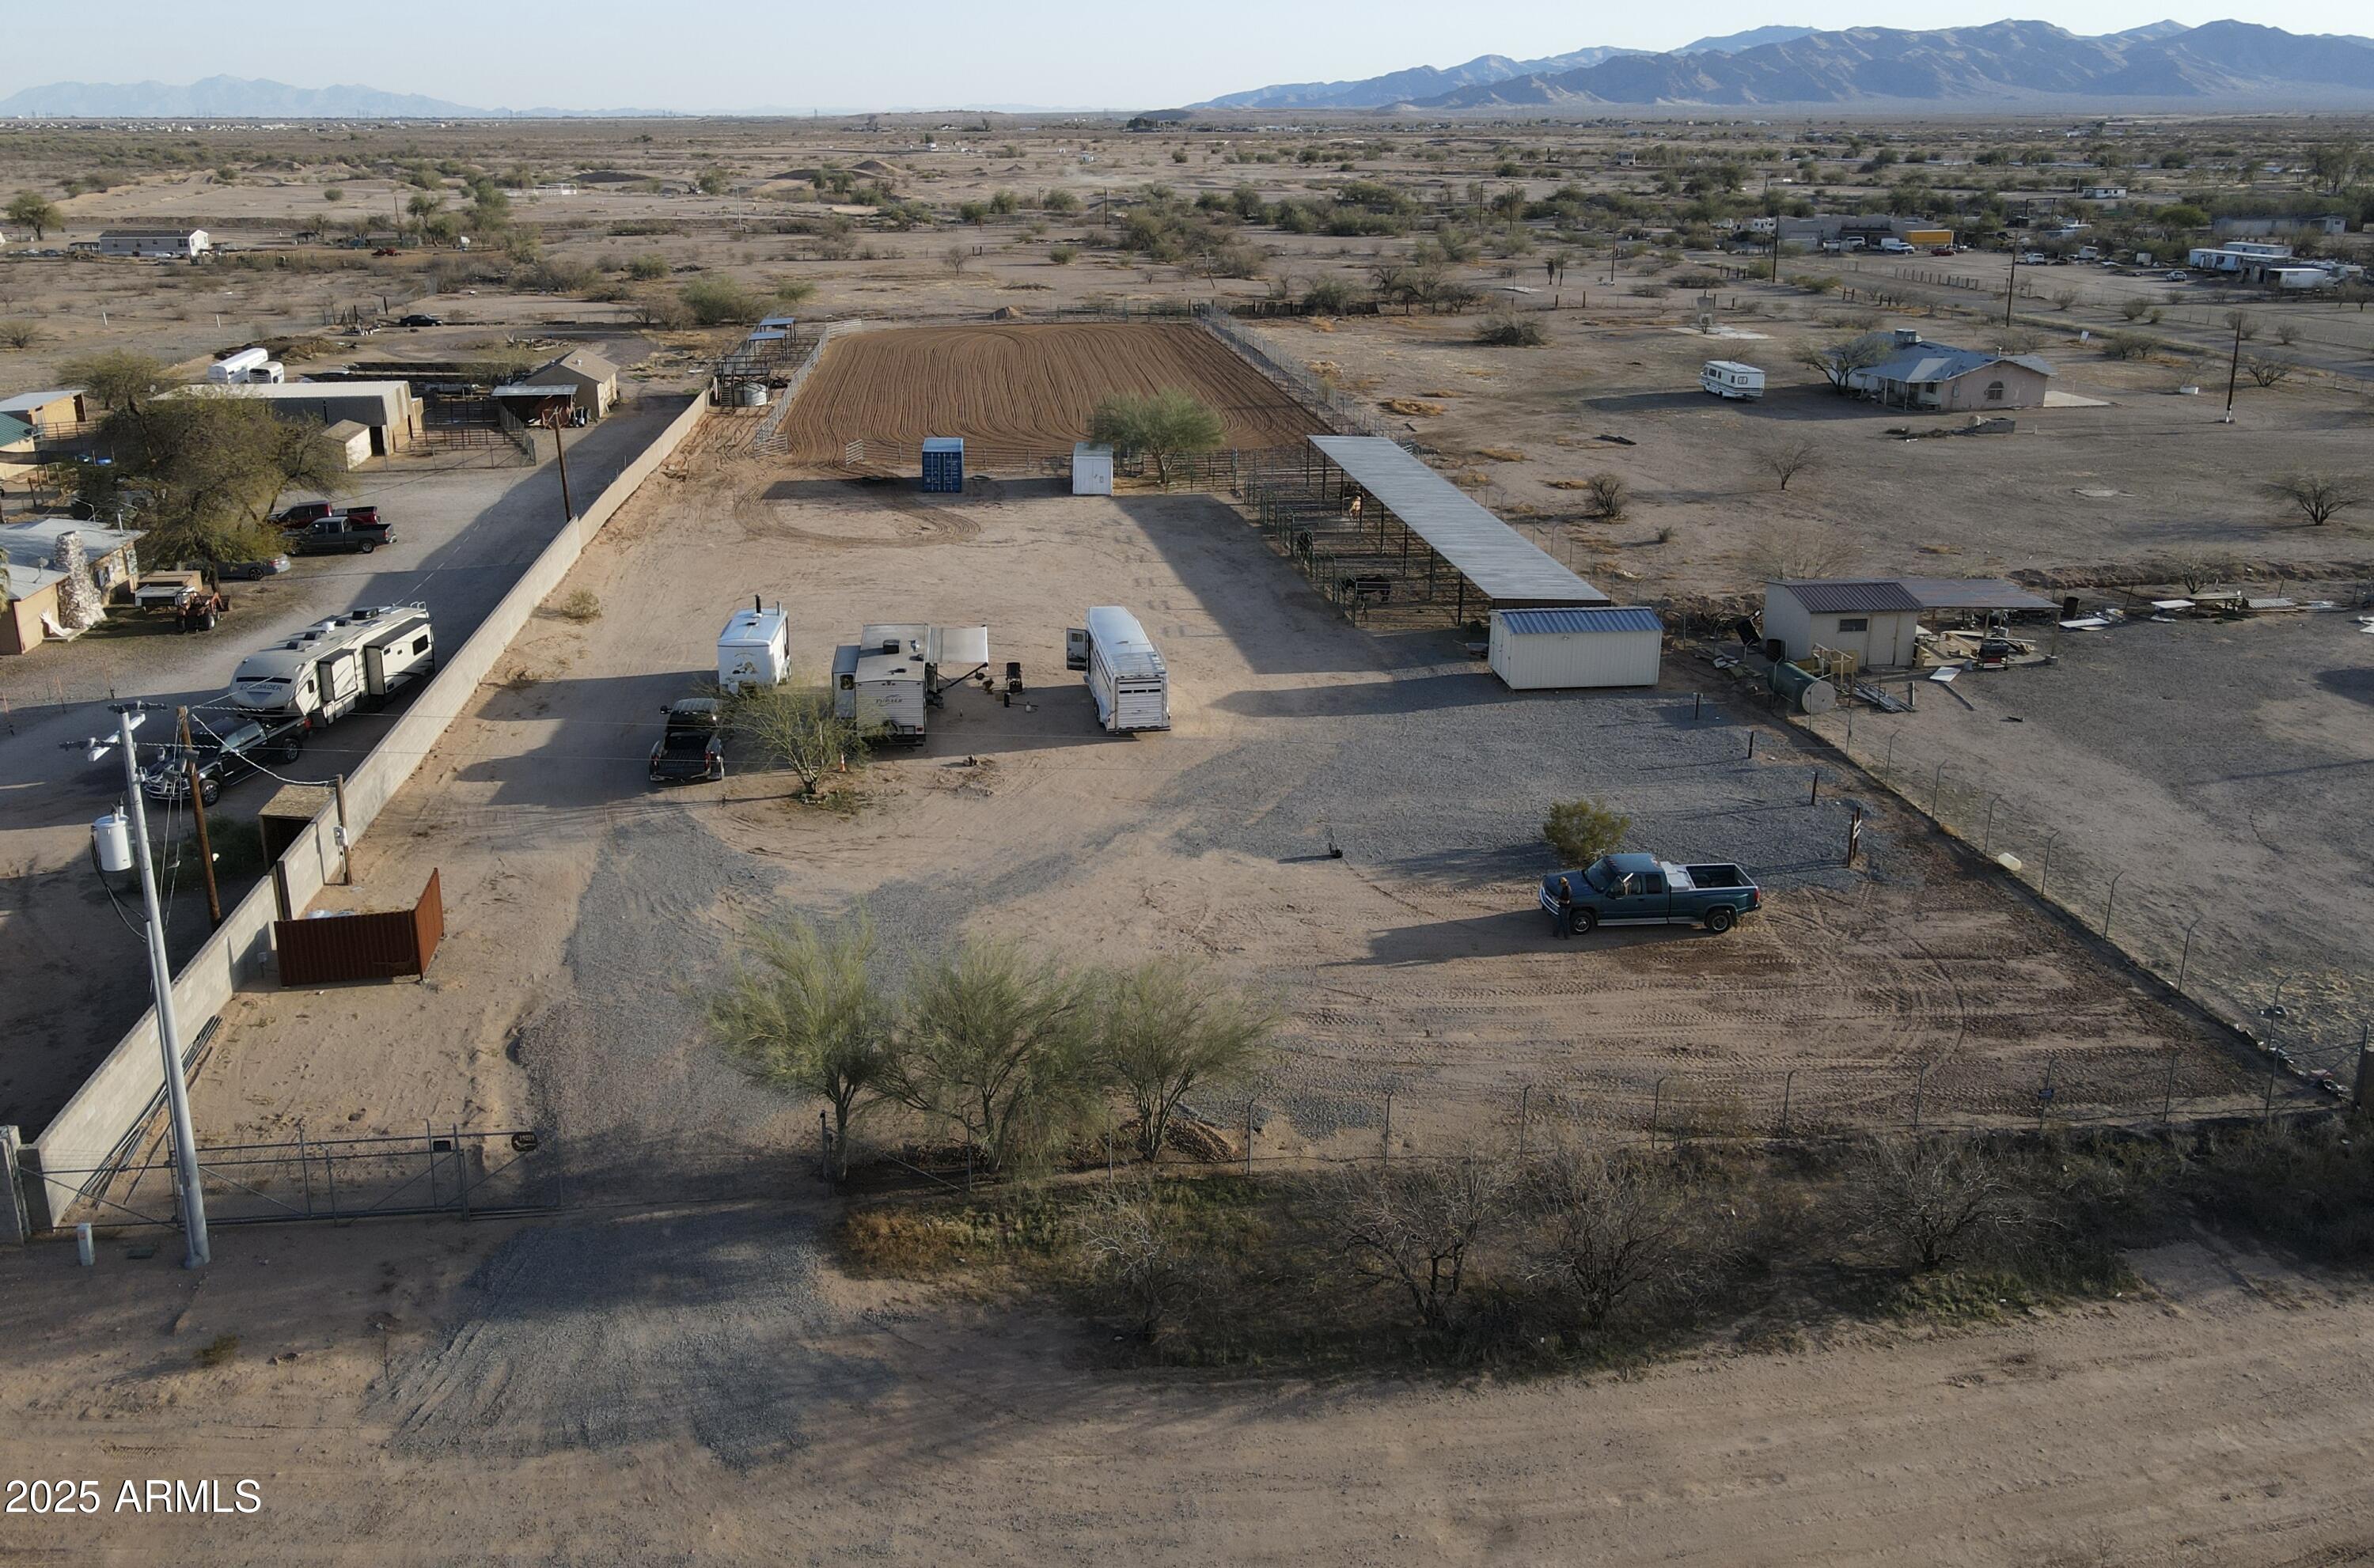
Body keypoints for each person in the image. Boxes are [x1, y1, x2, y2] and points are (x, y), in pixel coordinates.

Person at [1554, 874, 1575, 938]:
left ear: (1563, 884)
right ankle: (1556, 934)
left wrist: (1558, 900)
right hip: (1562, 907)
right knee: (1560, 921)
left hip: (1565, 908)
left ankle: (1566, 936)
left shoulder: (1567, 891)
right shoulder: (1566, 888)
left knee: (1565, 922)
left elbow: (1567, 902)